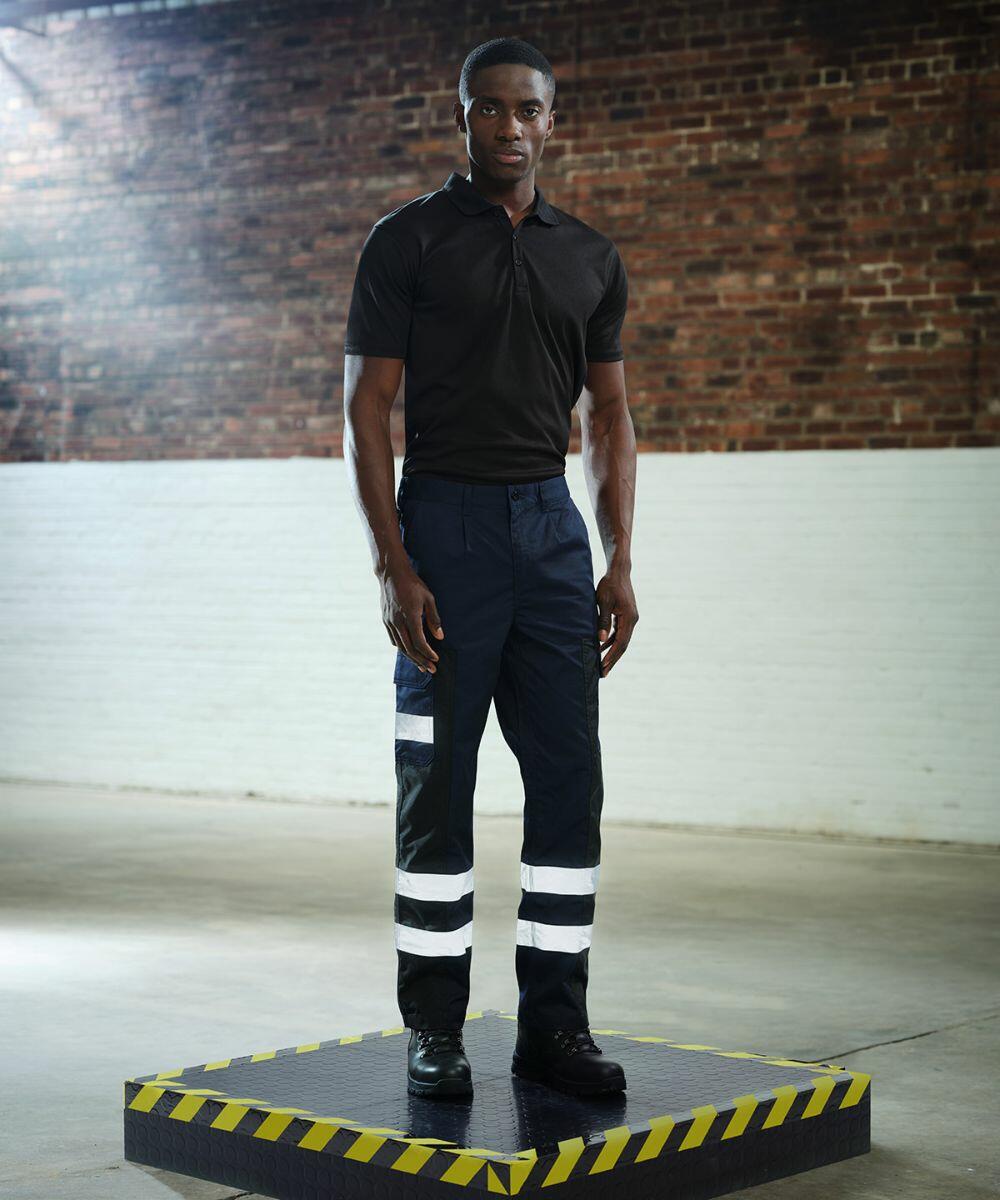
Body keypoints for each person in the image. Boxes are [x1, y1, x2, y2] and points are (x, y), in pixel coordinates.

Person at [343, 36, 638, 1101]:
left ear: (552, 121)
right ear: (461, 115)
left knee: (568, 784)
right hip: (446, 524)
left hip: (550, 533)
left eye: (529, 109)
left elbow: (609, 414)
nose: (510, 126)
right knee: (438, 786)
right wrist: (393, 563)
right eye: (490, 108)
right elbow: (367, 407)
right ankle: (435, 1027)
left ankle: (556, 1029)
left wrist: (619, 560)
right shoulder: (407, 240)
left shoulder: (588, 256)